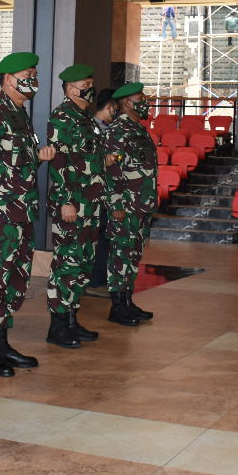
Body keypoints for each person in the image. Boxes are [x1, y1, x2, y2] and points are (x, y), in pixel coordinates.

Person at [0, 52, 56, 375]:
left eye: (34, 73)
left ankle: (2, 344)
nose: (32, 79)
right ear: (8, 80)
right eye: (26, 74)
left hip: (22, 214)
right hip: (0, 216)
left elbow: (17, 165)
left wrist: (40, 157)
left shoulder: (19, 115)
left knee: (15, 282)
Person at [45, 64, 113, 348]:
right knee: (67, 264)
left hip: (91, 203)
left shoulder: (84, 118)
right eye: (86, 83)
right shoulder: (62, 117)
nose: (90, 88)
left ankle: (71, 319)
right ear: (72, 88)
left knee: (83, 264)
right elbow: (58, 162)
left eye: (91, 82)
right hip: (73, 204)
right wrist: (65, 201)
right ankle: (58, 326)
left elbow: (84, 158)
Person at [104, 82, 158, 325]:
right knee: (121, 255)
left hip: (141, 204)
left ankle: (127, 301)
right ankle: (117, 307)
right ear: (127, 102)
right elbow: (112, 170)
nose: (145, 101)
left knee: (133, 255)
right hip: (125, 206)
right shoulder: (118, 131)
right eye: (141, 97)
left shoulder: (138, 129)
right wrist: (115, 204)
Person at [84, 89, 119, 299]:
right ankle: (95, 282)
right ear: (110, 107)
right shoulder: (94, 129)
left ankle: (98, 280)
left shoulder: (105, 128)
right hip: (94, 194)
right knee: (98, 239)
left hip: (105, 193)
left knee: (104, 239)